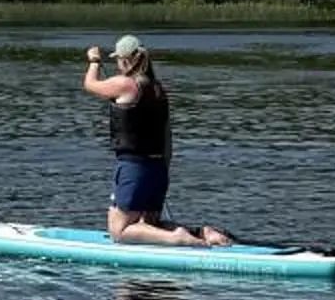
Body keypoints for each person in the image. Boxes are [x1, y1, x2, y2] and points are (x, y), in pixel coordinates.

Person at [81, 37, 233, 248]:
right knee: (149, 224)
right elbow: (167, 136)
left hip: (134, 168)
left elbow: (90, 84)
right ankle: (201, 233)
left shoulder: (126, 84)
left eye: (118, 60)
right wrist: (163, 168)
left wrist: (94, 61)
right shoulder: (158, 90)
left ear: (126, 60)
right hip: (158, 166)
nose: (117, 64)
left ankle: (178, 237)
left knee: (120, 231)